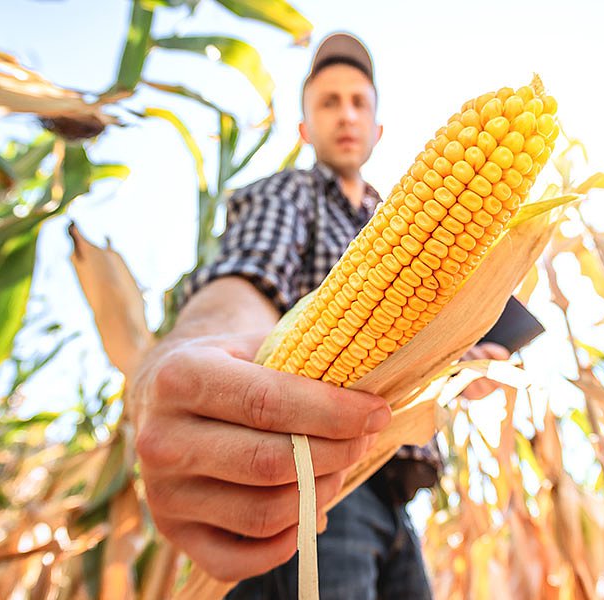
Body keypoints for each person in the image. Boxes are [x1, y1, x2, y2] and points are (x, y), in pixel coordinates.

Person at [130, 32, 516, 599]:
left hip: (395, 492)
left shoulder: (396, 216)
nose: (346, 115)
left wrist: (463, 366)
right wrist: (192, 352)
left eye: (358, 102)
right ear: (305, 129)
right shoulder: (292, 195)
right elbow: (241, 282)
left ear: (378, 130)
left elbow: (413, 350)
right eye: (328, 103)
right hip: (314, 489)